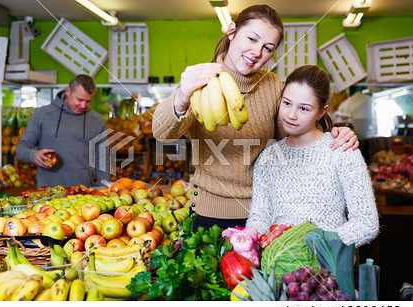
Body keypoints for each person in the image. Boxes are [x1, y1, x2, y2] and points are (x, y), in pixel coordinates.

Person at [152, 4, 360, 231]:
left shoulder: (272, 85)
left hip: (264, 213)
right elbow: (162, 133)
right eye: (252, 39)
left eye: (268, 48)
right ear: (231, 32)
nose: (257, 53)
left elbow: (292, 140)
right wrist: (182, 95)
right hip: (207, 215)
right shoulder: (202, 82)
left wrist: (332, 137)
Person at [246, 65, 379, 247]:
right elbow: (260, 219)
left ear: (321, 112)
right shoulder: (267, 157)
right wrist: (248, 240)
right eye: (286, 103)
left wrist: (313, 247)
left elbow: (366, 223)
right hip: (277, 269)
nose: (291, 115)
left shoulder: (342, 150)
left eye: (304, 109)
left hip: (328, 270)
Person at [16, 74, 111, 188]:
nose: (83, 105)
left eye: (88, 101)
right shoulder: (42, 115)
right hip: (48, 194)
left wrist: (105, 189)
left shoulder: (97, 121)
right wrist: (33, 155)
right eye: (79, 99)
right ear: (68, 91)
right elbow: (21, 148)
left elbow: (102, 159)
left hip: (83, 195)